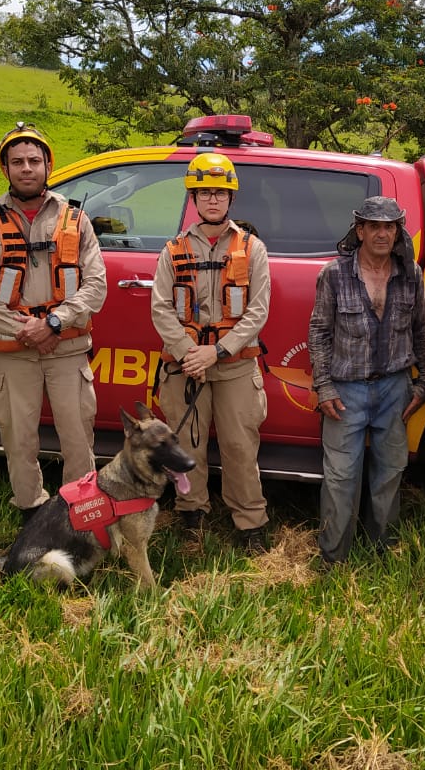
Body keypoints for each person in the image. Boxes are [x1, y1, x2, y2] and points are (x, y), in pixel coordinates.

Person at [0, 122, 107, 521]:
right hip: (13, 352)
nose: (27, 168)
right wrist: (22, 328)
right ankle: (30, 512)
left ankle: (79, 515)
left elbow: (96, 286)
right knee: (17, 438)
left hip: (67, 349)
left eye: (34, 160)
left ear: (48, 165)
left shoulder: (76, 219)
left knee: (78, 437)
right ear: (5, 168)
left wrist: (54, 323)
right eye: (17, 161)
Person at [152, 153, 271, 553]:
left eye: (220, 193)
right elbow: (161, 309)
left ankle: (251, 523)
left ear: (231, 197)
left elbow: (258, 311)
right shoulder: (172, 251)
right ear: (194, 198)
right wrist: (191, 353)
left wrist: (216, 352)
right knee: (187, 444)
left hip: (234, 366)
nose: (213, 200)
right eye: (204, 193)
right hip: (186, 368)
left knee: (240, 447)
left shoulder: (252, 249)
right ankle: (191, 515)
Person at [308, 196, 425, 566]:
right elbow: (318, 333)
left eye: (390, 226)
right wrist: (325, 387)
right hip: (346, 390)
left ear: (398, 232)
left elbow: (422, 331)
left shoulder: (411, 274)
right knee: (340, 477)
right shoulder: (333, 274)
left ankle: (382, 554)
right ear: (359, 230)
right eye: (374, 226)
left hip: (395, 387)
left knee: (390, 473)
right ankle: (333, 559)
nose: (382, 233)